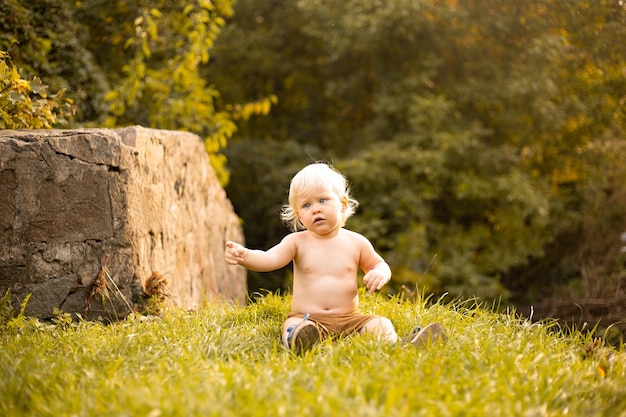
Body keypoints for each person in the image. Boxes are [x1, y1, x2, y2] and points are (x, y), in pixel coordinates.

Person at [225, 162, 446, 353]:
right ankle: (301, 341)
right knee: (292, 326)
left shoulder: (356, 242)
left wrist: (379, 273)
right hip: (308, 318)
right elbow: (269, 259)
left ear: (341, 204)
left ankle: (399, 344)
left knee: (381, 324)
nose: (315, 209)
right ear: (299, 216)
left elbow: (379, 264)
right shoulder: (297, 242)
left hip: (350, 320)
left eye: (322, 200)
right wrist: (245, 256)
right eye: (306, 205)